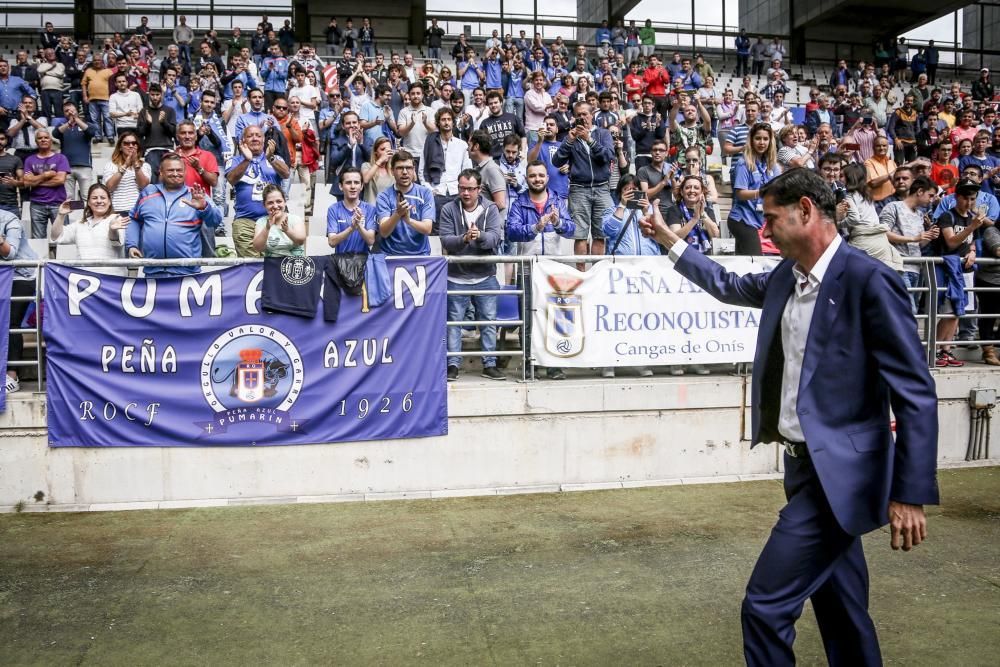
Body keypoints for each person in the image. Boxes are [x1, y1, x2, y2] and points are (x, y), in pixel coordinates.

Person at [642, 166, 938, 666]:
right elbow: (728, 283)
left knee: (763, 607)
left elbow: (915, 393)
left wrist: (908, 492)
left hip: (842, 477)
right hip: (802, 468)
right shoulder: (786, 276)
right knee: (842, 609)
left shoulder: (870, 281)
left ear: (806, 212)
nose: (765, 228)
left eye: (771, 217)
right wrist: (672, 242)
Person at [506, 160, 575, 380]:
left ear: (547, 178)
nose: (537, 179)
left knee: (553, 318)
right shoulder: (519, 203)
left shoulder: (557, 201)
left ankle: (553, 365)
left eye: (541, 175)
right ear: (526, 179)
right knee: (527, 320)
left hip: (552, 270)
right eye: (533, 175)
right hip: (527, 269)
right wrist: (536, 227)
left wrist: (558, 224)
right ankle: (529, 364)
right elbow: (512, 232)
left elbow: (571, 230)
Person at [439, 169, 504, 382]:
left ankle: (490, 364)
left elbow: (495, 238)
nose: (465, 193)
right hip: (456, 276)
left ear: (479, 189)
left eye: (470, 189)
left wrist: (480, 236)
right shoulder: (449, 208)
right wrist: (465, 239)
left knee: (488, 321)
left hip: (485, 275)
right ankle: (453, 365)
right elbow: (446, 241)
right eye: (462, 188)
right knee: (454, 323)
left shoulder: (491, 208)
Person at [125, 154, 223, 277]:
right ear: (161, 172)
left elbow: (216, 221)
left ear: (185, 171)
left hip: (187, 274)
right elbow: (134, 219)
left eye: (179, 170)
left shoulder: (195, 195)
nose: (176, 173)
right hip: (153, 273)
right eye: (171, 170)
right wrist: (132, 245)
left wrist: (205, 208)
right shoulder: (148, 193)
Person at [932, 178, 987, 367]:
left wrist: (972, 251)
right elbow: (951, 242)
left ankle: (946, 351)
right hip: (948, 269)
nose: (969, 202)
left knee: (957, 312)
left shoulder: (972, 217)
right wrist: (971, 226)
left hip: (966, 271)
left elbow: (972, 242)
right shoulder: (948, 216)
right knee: (948, 311)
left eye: (972, 199)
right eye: (965, 198)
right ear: (957, 197)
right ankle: (937, 349)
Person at [553, 100, 614, 268]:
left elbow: (607, 156)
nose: (582, 118)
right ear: (574, 117)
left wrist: (589, 140)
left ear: (592, 115)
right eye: (578, 115)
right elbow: (557, 161)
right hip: (579, 189)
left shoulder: (603, 134)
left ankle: (596, 273)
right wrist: (569, 141)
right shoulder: (570, 137)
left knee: (600, 234)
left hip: (602, 188)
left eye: (585, 114)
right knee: (580, 235)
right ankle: (581, 274)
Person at [225, 125, 289, 257]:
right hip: (245, 222)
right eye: (250, 136)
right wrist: (246, 160)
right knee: (251, 268)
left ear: (264, 139)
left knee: (276, 265)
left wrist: (271, 158)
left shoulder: (275, 158)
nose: (254, 138)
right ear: (243, 140)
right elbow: (231, 179)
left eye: (258, 135)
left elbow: (286, 174)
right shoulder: (234, 160)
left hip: (275, 219)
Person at [881, 176, 940, 313]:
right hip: (897, 265)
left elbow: (919, 244)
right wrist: (914, 238)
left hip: (915, 267)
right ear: (920, 191)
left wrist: (929, 236)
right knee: (909, 310)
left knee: (910, 310)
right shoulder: (893, 207)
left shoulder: (920, 214)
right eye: (930, 195)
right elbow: (883, 234)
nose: (931, 200)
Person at [836, 163, 903, 272]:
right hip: (880, 241)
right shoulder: (866, 195)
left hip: (864, 241)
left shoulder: (850, 196)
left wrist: (838, 224)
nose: (839, 178)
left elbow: (854, 219)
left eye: (842, 176)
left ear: (850, 178)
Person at [1, 208, 39, 393]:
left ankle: (12, 375)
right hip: (1, 276)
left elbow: (9, 254)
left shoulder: (9, 219)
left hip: (21, 275)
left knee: (10, 322)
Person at [50, 183, 127, 273]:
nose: (99, 201)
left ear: (109, 202)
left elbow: (116, 242)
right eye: (94, 198)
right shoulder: (79, 223)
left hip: (110, 280)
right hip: (85, 279)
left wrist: (112, 229)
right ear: (89, 203)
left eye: (103, 198)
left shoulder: (116, 219)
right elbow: (56, 237)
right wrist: (60, 215)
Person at [729, 123, 780, 255]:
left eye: (765, 139)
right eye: (758, 138)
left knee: (743, 263)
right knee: (755, 259)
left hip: (757, 219)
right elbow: (740, 193)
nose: (761, 142)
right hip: (741, 219)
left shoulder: (773, 166)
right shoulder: (743, 163)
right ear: (751, 140)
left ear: (770, 141)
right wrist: (762, 192)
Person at [375, 149, 435, 256]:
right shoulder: (383, 196)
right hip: (390, 255)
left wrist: (408, 220)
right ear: (392, 171)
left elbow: (427, 229)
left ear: (414, 170)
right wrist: (398, 214)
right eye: (399, 168)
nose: (404, 172)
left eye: (408, 168)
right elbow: (384, 232)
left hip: (420, 254)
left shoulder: (425, 193)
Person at [327, 167, 378, 253]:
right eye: (348, 183)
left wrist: (359, 226)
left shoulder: (370, 209)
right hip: (341, 261)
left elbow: (371, 241)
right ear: (340, 186)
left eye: (356, 183)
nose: (353, 186)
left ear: (361, 186)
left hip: (364, 261)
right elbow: (332, 242)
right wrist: (352, 228)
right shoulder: (333, 209)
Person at [103, 131, 152, 216]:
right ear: (120, 147)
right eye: (126, 143)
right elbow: (110, 187)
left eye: (134, 143)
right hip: (117, 211)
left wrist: (136, 164)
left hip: (139, 211)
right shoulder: (110, 165)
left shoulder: (145, 166)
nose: (131, 146)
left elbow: (143, 185)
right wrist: (125, 165)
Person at [252, 184, 305, 257]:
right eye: (270, 203)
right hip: (272, 265)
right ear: (264, 205)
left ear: (285, 202)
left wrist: (287, 230)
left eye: (279, 201)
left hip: (294, 264)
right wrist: (267, 228)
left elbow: (300, 241)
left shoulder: (295, 219)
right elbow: (258, 248)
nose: (275, 206)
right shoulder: (261, 222)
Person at [361, 137, 395, 204]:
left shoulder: (392, 169)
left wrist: (403, 157)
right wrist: (381, 160)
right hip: (371, 208)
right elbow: (366, 179)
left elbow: (413, 179)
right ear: (375, 152)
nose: (386, 152)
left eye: (389, 150)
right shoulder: (367, 166)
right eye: (383, 149)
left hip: (388, 209)